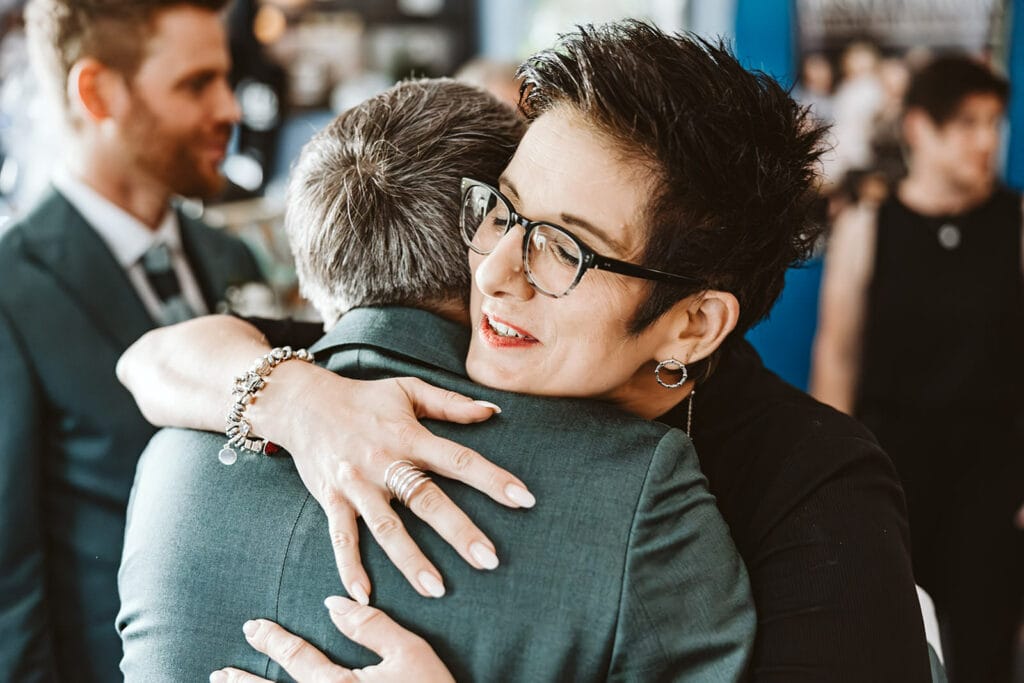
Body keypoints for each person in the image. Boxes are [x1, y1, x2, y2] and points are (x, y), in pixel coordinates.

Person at [121, 23, 934, 681]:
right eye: (503, 211)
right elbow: (153, 361)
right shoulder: (441, 344)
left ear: (692, 325)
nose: (494, 273)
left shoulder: (818, 486)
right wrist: (296, 399)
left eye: (565, 250)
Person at [0, 1, 263, 679]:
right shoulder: (11, 291)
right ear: (97, 92)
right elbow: (7, 580)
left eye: (225, 78)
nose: (230, 108)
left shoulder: (231, 258)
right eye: (196, 84)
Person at [811, 54, 1023, 683]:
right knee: (887, 650)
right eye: (966, 124)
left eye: (993, 122)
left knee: (986, 652)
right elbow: (837, 355)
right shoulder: (868, 225)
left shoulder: (1016, 224)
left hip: (994, 480)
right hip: (890, 474)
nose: (985, 140)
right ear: (918, 129)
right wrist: (826, 484)